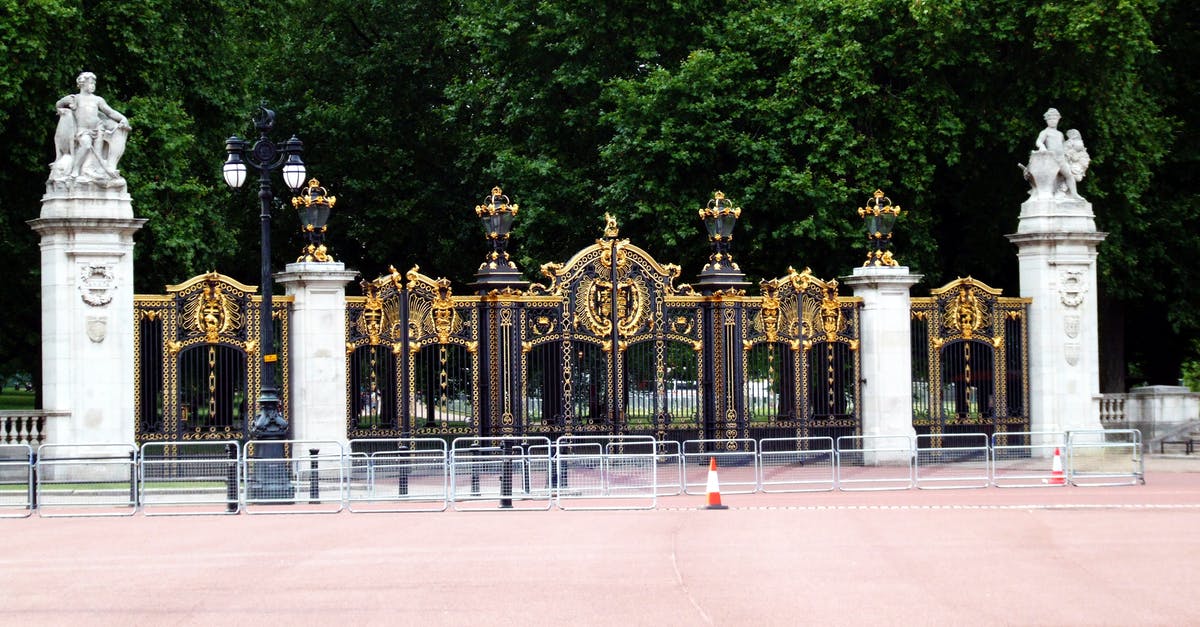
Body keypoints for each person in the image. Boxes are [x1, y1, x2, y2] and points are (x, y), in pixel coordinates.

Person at [50, 72, 131, 185]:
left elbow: (110, 112)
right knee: (86, 144)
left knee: (97, 153)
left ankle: (93, 171)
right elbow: (59, 105)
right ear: (82, 84)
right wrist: (63, 101)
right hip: (82, 130)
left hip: (98, 129)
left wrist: (123, 118)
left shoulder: (97, 100)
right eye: (91, 83)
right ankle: (75, 170)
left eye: (94, 83)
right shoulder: (76, 98)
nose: (93, 85)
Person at [1033, 108, 1080, 199]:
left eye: (1054, 118)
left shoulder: (1060, 134)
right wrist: (1042, 147)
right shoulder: (1045, 132)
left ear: (1058, 119)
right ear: (1046, 120)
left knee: (1069, 175)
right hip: (1052, 160)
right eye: (1050, 119)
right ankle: (1049, 195)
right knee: (1051, 178)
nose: (1052, 121)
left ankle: (1074, 194)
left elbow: (1063, 146)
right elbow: (1038, 141)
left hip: (1061, 159)